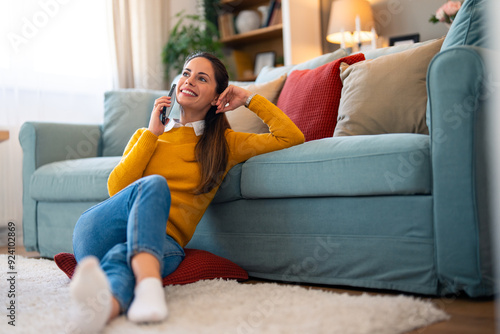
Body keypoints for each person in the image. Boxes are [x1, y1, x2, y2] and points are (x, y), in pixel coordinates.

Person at [69, 51, 304, 333]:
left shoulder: (225, 144)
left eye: (201, 78)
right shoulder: (148, 135)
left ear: (218, 96)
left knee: (123, 257)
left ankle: (105, 309)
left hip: (162, 243)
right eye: (186, 73)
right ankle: (149, 286)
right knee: (153, 185)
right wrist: (152, 133)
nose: (188, 81)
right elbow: (116, 189)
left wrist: (249, 99)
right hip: (98, 233)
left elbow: (290, 137)